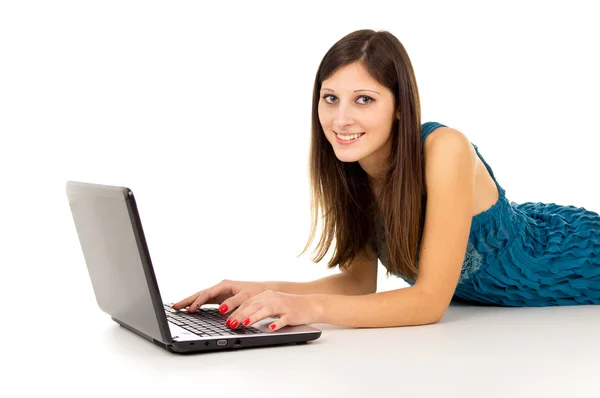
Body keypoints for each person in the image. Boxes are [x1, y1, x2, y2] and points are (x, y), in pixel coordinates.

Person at [172, 29, 600, 331]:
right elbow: (357, 285)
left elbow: (430, 302)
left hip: (569, 255)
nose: (341, 119)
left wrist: (308, 309)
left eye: (364, 100)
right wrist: (259, 289)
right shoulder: (353, 170)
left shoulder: (444, 148)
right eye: (330, 98)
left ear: (400, 107)